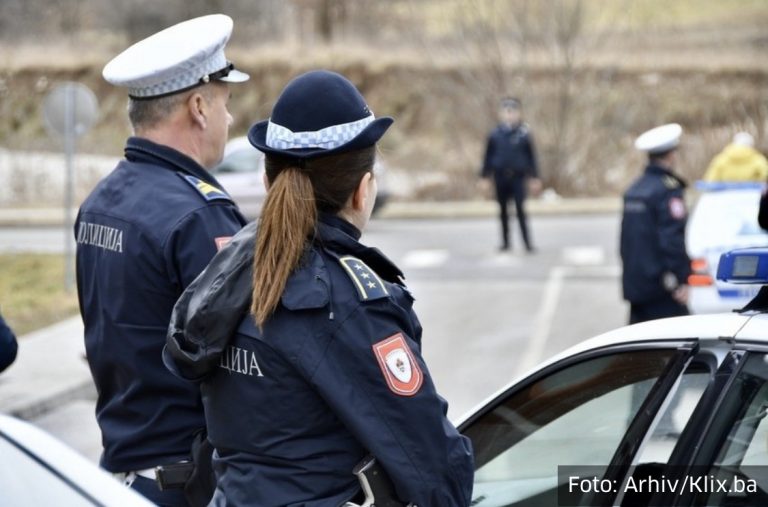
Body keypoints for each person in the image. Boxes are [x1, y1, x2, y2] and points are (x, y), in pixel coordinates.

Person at [165, 70, 474, 506]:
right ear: (363, 191)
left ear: (268, 183)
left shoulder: (230, 273)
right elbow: (436, 470)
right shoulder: (349, 304)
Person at [75, 14, 248, 506]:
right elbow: (248, 365)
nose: (229, 119)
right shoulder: (198, 216)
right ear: (199, 107)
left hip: (120, 476)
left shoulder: (102, 200)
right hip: (186, 485)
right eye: (225, 103)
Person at [621, 123, 692, 324]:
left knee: (638, 342)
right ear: (671, 155)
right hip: (662, 290)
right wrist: (681, 278)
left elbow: (628, 242)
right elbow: (671, 239)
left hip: (637, 287)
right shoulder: (667, 190)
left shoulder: (635, 189)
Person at [481, 97, 542, 252]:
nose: (510, 115)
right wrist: (485, 176)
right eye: (507, 112)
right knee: (503, 211)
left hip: (518, 177)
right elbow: (488, 156)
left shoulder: (524, 133)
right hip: (500, 176)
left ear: (518, 113)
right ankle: (505, 242)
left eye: (513, 112)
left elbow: (531, 157)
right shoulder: (495, 134)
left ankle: (527, 242)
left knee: (520, 209)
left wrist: (534, 177)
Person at [703, 132, 768, 182]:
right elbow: (765, 174)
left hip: (726, 193)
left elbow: (710, 179)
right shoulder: (757, 159)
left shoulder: (721, 159)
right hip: (753, 193)